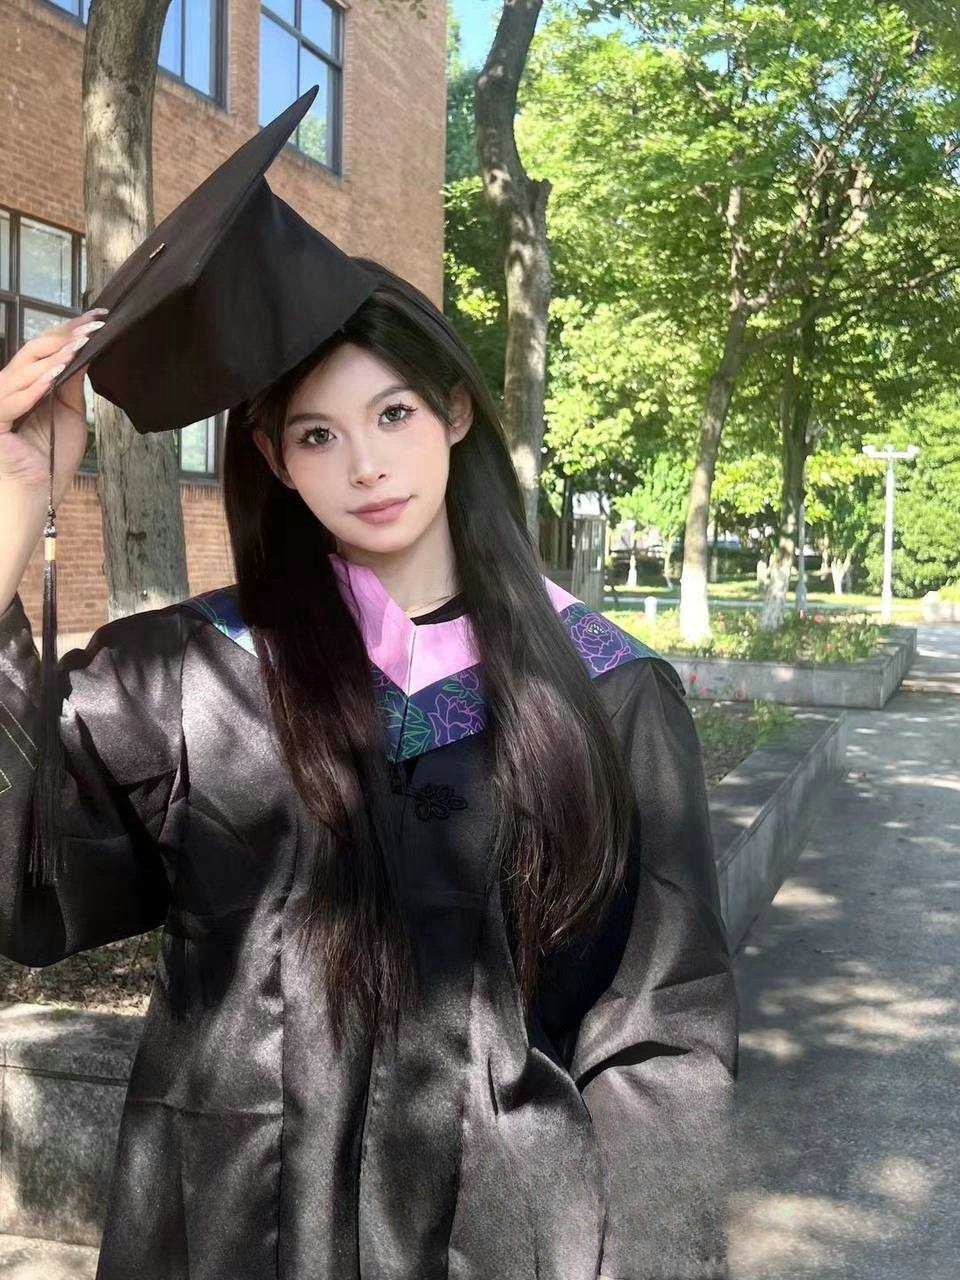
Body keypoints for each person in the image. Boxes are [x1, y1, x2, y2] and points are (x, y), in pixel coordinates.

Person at [0, 259, 739, 1279]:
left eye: (394, 413)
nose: (366, 467)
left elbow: (659, 1029)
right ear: (274, 457)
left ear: (455, 411)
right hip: (229, 1233)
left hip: (503, 1244)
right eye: (317, 434)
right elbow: (26, 875)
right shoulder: (192, 676)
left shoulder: (606, 694)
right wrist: (13, 503)